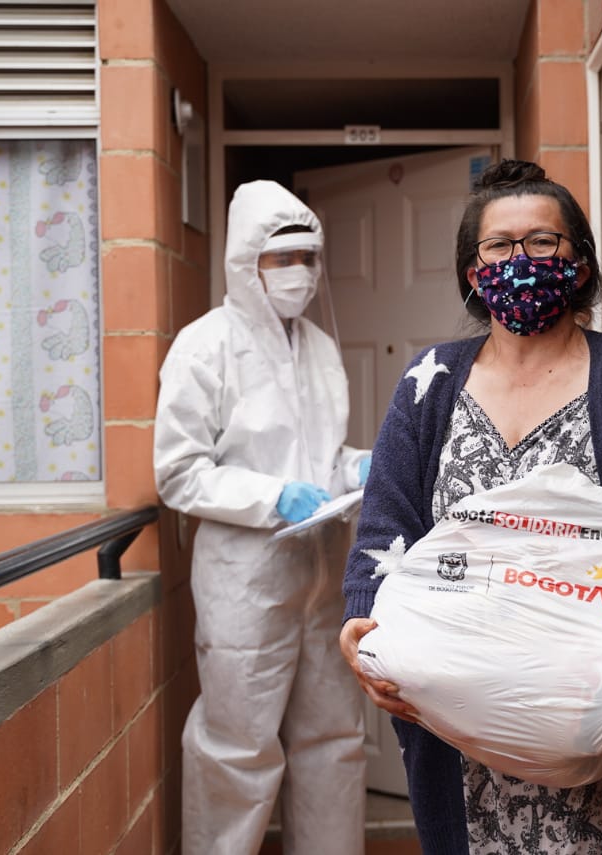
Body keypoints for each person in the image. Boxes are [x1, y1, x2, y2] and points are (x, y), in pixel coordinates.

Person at [339, 159, 602, 854]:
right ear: (473, 272)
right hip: (457, 724)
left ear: (579, 262)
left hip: (598, 720)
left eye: (542, 241)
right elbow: (384, 529)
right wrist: (361, 630)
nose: (520, 259)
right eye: (499, 246)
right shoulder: (431, 383)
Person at [154, 180, 370, 855]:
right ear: (248, 263)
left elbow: (319, 455)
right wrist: (271, 496)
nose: (299, 272)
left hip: (322, 573)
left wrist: (355, 468)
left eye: (308, 257)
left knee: (334, 738)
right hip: (245, 581)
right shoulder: (204, 346)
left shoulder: (320, 347)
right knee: (236, 747)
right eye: (283, 259)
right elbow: (178, 471)